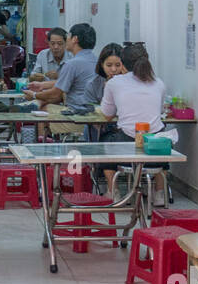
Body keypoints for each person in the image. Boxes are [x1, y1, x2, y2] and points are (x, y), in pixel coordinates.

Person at [99, 43, 174, 196]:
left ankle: (113, 191)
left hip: (126, 148)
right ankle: (159, 194)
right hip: (154, 150)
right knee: (161, 138)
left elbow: (107, 114)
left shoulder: (114, 83)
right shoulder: (159, 83)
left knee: (105, 142)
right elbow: (159, 112)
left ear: (123, 65)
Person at [22, 22, 98, 136]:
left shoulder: (72, 63)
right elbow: (69, 82)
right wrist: (42, 85)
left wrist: (33, 95)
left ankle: (42, 146)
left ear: (75, 39)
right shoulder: (95, 60)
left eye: (68, 36)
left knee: (42, 111)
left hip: (77, 117)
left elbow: (55, 94)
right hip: (94, 114)